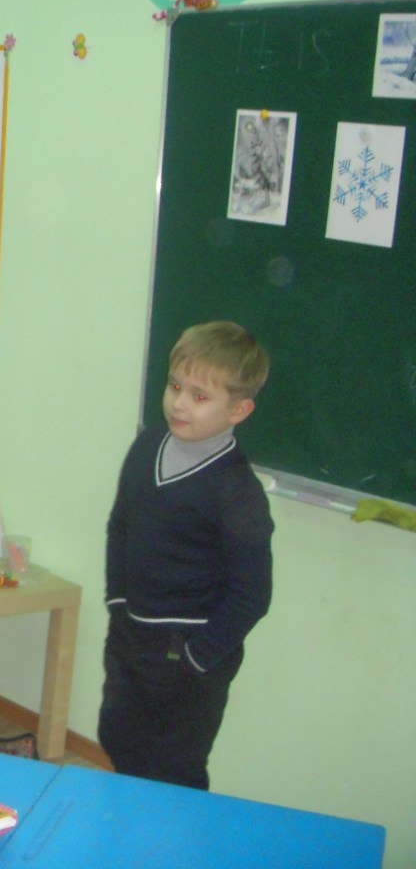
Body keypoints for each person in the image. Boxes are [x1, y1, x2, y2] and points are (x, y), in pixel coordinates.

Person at [99, 321, 274, 790]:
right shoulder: (145, 447)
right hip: (131, 635)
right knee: (118, 739)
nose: (179, 403)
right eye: (175, 386)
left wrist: (198, 658)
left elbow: (252, 594)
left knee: (174, 769)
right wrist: (118, 601)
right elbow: (121, 526)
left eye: (199, 396)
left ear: (239, 409)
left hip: (188, 652)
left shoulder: (237, 492)